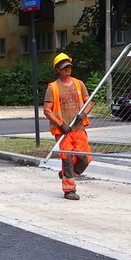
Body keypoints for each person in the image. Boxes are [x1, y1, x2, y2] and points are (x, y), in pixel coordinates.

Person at [44, 53, 94, 201]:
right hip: (63, 130)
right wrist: (60, 124)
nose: (68, 69)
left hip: (78, 127)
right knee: (67, 159)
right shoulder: (53, 88)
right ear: (58, 69)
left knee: (84, 159)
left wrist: (84, 114)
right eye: (64, 67)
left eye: (69, 66)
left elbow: (89, 102)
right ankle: (69, 190)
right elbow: (47, 110)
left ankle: (66, 172)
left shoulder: (79, 84)